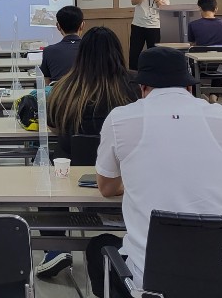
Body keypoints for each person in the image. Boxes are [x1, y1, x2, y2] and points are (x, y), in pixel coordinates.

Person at [86, 47, 222, 297]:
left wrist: (135, 181)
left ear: (142, 88)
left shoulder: (121, 119)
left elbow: (106, 188)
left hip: (154, 282)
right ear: (189, 87)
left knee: (99, 246)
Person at [37, 26, 138, 279]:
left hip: (72, 172)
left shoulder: (65, 87)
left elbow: (53, 124)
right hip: (124, 176)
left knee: (49, 176)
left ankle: (54, 247)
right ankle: (137, 240)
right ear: (117, 52)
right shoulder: (134, 85)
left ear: (81, 55)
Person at [128, 0, 170, 69]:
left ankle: (154, 74)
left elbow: (164, 8)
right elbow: (133, 1)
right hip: (138, 25)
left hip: (155, 26)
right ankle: (133, 75)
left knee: (155, 53)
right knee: (134, 53)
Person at [40, 5, 85, 84]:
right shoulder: (93, 49)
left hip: (59, 91)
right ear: (82, 25)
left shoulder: (48, 51)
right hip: (86, 91)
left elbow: (47, 82)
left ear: (58, 26)